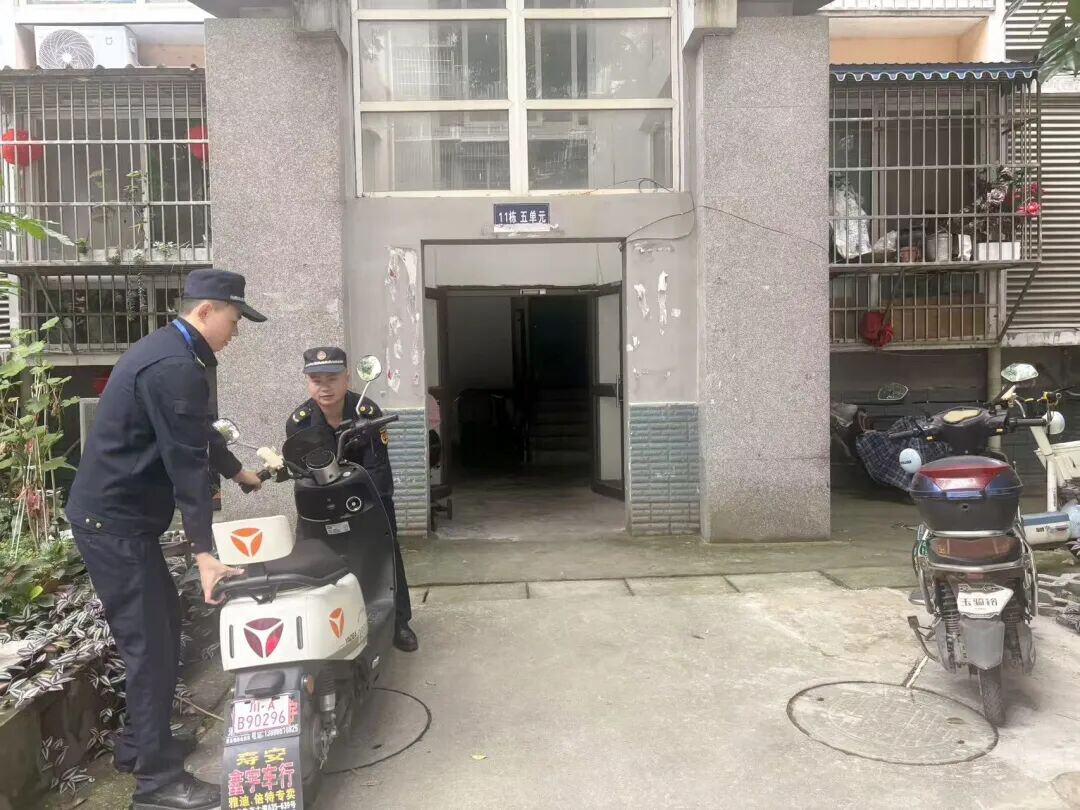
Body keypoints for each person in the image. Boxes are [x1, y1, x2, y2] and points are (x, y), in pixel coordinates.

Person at [66, 269, 268, 810]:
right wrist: (204, 553)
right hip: (116, 525)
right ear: (205, 311)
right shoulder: (175, 366)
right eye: (234, 319)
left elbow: (195, 434)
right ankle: (157, 783)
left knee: (160, 631)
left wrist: (238, 471)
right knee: (150, 646)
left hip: (119, 521)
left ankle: (139, 746)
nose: (235, 332)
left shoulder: (170, 352)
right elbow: (186, 464)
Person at [287, 346, 418, 652]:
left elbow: (378, 469)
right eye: (316, 380)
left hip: (369, 497)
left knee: (386, 552)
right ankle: (323, 624)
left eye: (332, 378)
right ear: (307, 383)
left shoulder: (367, 412)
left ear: (347, 378)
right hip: (321, 502)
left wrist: (363, 509)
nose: (325, 387)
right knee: (313, 557)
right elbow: (301, 475)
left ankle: (399, 622)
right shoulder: (298, 422)